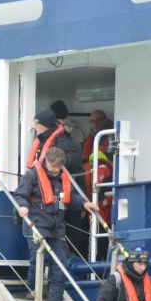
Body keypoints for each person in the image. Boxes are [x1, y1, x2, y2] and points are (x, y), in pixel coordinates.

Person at [14, 147, 98, 301]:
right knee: (39, 259)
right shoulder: (31, 176)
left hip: (57, 227)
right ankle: (33, 292)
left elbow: (71, 198)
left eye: (59, 167)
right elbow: (19, 195)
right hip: (36, 224)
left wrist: (84, 203)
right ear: (46, 161)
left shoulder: (62, 177)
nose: (55, 170)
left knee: (61, 262)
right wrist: (22, 206)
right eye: (53, 167)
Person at [29, 107, 90, 258]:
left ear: (45, 125)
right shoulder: (43, 139)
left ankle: (74, 263)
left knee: (72, 235)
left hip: (64, 193)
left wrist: (54, 166)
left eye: (37, 123)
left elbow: (75, 159)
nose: (35, 127)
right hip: (49, 198)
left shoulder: (62, 141)